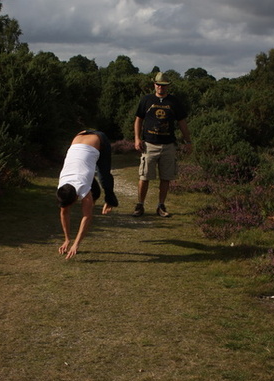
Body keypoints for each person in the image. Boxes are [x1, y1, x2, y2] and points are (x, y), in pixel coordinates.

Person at [132, 72, 192, 217]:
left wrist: (188, 141)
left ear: (167, 86)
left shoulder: (174, 102)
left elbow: (182, 122)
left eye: (163, 85)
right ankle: (140, 205)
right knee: (144, 177)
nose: (161, 87)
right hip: (149, 145)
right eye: (158, 84)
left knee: (166, 178)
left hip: (168, 146)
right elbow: (138, 119)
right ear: (154, 85)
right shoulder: (146, 100)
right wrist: (137, 139)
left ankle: (161, 206)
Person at [57, 130, 118, 259]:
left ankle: (110, 200)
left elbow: (87, 216)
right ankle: (96, 194)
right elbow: (64, 212)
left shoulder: (82, 187)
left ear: (76, 197)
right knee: (92, 183)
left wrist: (76, 244)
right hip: (79, 135)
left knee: (103, 176)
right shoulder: (62, 187)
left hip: (99, 139)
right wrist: (67, 239)